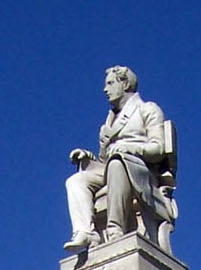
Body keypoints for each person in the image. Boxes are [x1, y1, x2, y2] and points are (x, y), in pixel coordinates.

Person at [65, 66, 173, 251]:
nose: (105, 89)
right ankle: (86, 232)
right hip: (112, 168)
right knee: (76, 180)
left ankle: (115, 229)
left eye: (110, 83)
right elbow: (104, 161)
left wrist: (127, 148)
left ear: (125, 83)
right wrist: (88, 159)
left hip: (141, 169)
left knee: (116, 162)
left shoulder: (147, 109)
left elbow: (158, 148)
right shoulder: (108, 123)